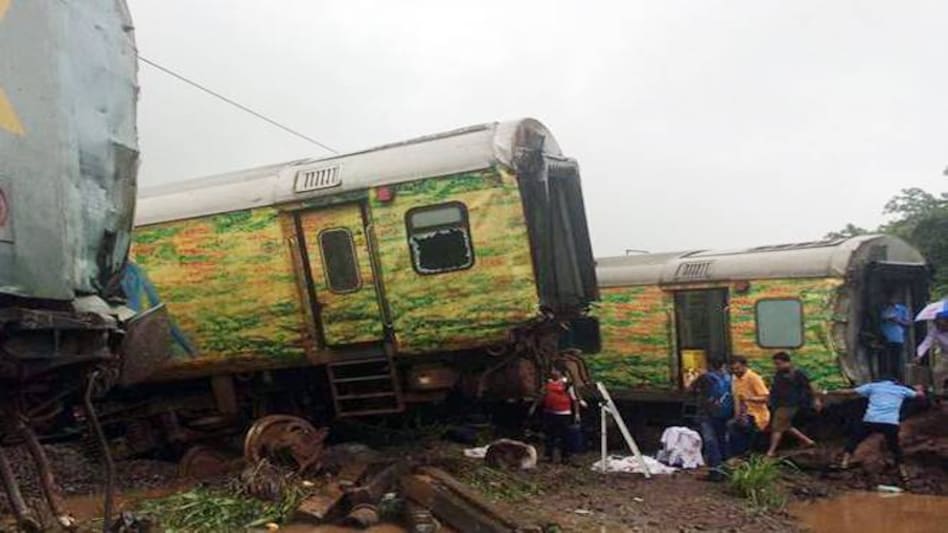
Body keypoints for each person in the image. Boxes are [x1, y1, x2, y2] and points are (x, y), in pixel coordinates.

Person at [835, 376, 924, 483]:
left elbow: (850, 392)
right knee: (895, 447)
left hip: (871, 420)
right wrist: (919, 389)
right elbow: (920, 396)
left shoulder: (873, 386)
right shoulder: (901, 389)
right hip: (890, 423)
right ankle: (903, 473)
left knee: (854, 439)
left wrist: (828, 392)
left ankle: (844, 463)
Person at [765, 352, 819, 457]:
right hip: (780, 403)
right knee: (785, 426)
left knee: (777, 428)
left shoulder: (798, 373)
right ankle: (808, 441)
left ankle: (771, 451)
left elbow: (811, 386)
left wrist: (816, 399)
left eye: (779, 364)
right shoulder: (779, 374)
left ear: (788, 362)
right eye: (776, 364)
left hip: (790, 404)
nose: (777, 366)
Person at [688, 359, 733, 480]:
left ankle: (715, 472)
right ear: (723, 365)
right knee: (723, 441)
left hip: (707, 414)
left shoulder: (705, 377)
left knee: (711, 442)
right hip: (724, 414)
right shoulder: (728, 377)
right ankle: (726, 471)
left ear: (709, 365)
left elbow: (690, 389)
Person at [529, 366, 583, 464]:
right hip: (550, 413)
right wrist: (534, 407)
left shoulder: (567, 384)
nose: (552, 372)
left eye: (554, 370)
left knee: (565, 436)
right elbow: (542, 395)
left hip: (564, 413)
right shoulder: (547, 383)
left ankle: (565, 457)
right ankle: (549, 456)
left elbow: (574, 399)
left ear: (560, 372)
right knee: (550, 436)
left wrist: (577, 414)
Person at [727, 356, 770, 456]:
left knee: (744, 439)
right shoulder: (734, 379)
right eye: (733, 369)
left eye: (738, 368)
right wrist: (736, 417)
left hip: (755, 415)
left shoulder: (753, 378)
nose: (735, 371)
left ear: (744, 366)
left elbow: (765, 398)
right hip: (742, 415)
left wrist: (749, 398)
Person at [880, 292, 911, 379]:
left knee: (896, 358)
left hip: (897, 337)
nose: (892, 300)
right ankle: (885, 377)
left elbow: (908, 323)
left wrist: (897, 321)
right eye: (890, 298)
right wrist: (885, 319)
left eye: (894, 298)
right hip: (884, 336)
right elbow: (879, 320)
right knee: (884, 358)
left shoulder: (902, 309)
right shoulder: (884, 308)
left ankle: (896, 377)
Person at [916, 312, 948, 395]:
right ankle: (939, 393)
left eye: (940, 323)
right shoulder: (935, 330)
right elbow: (927, 342)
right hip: (945, 355)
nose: (938, 326)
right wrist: (919, 355)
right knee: (937, 372)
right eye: (936, 323)